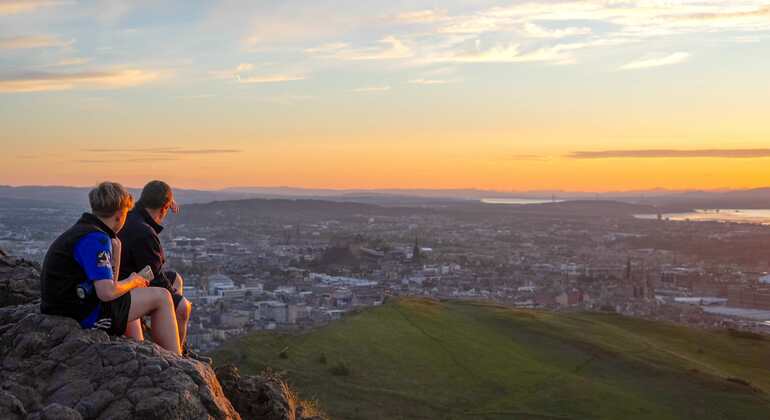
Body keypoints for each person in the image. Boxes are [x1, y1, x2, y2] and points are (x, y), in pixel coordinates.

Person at [40, 181, 181, 355]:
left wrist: (117, 251)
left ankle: (140, 350)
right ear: (120, 214)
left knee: (127, 296)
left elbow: (109, 284)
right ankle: (175, 357)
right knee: (163, 296)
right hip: (82, 314)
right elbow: (106, 293)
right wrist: (132, 280)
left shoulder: (84, 230)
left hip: (65, 307)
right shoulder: (96, 239)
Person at [118, 180, 195, 356]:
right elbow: (155, 277)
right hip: (124, 290)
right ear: (163, 209)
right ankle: (177, 354)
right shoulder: (145, 232)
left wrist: (167, 202)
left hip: (126, 278)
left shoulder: (129, 214)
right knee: (183, 307)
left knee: (176, 278)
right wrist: (176, 301)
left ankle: (167, 331)